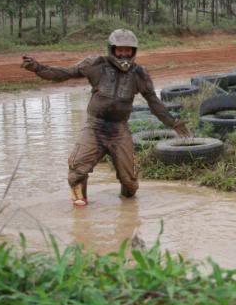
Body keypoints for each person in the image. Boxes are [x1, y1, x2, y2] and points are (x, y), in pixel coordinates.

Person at [21, 29, 191, 206]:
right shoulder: (96, 64)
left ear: (134, 51)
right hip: (95, 127)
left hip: (119, 130)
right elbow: (64, 73)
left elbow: (153, 101)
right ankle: (81, 205)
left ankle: (127, 208)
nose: (124, 54)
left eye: (128, 50)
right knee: (77, 172)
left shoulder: (139, 73)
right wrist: (38, 68)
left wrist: (172, 122)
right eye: (120, 50)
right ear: (112, 49)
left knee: (130, 183)